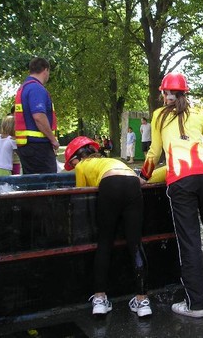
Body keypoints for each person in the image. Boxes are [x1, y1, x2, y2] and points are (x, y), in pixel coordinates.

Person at [140, 73, 203, 318]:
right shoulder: (199, 116)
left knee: (190, 241)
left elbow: (153, 153)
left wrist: (143, 177)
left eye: (165, 93)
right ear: (185, 93)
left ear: (164, 93)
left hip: (182, 181)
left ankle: (196, 305)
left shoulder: (159, 116)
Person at [64, 136, 152, 317]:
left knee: (104, 243)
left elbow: (81, 194)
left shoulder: (81, 166)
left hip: (109, 185)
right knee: (136, 244)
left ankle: (99, 299)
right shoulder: (112, 160)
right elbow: (139, 180)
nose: (73, 168)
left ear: (75, 158)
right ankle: (143, 301)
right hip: (132, 183)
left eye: (71, 164)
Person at [14, 57, 59, 174]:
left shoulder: (24, 88)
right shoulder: (36, 88)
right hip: (39, 147)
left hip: (27, 146)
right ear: (45, 70)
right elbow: (39, 117)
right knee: (47, 184)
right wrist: (53, 140)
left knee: (33, 185)